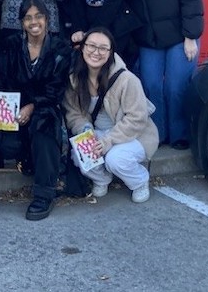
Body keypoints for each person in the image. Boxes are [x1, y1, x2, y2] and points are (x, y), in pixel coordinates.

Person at [0, 0, 72, 220]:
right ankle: (26, 159)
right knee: (1, 146)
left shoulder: (61, 49)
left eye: (39, 16)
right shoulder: (9, 45)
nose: (34, 22)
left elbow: (56, 91)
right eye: (28, 18)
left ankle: (44, 194)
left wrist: (32, 106)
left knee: (44, 126)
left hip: (43, 109)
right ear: (22, 22)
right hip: (11, 112)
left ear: (47, 19)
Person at [124, 0, 204, 149]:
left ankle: (179, 134)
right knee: (151, 86)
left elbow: (191, 0)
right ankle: (157, 133)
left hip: (180, 38)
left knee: (175, 87)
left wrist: (191, 37)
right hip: (150, 40)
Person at [63, 28, 158, 203]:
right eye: (91, 46)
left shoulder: (127, 79)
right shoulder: (75, 78)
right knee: (79, 151)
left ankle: (139, 181)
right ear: (82, 48)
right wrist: (85, 130)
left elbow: (137, 119)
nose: (96, 52)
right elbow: (74, 113)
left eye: (103, 48)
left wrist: (107, 142)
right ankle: (102, 178)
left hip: (135, 135)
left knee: (116, 159)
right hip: (99, 132)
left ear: (110, 52)